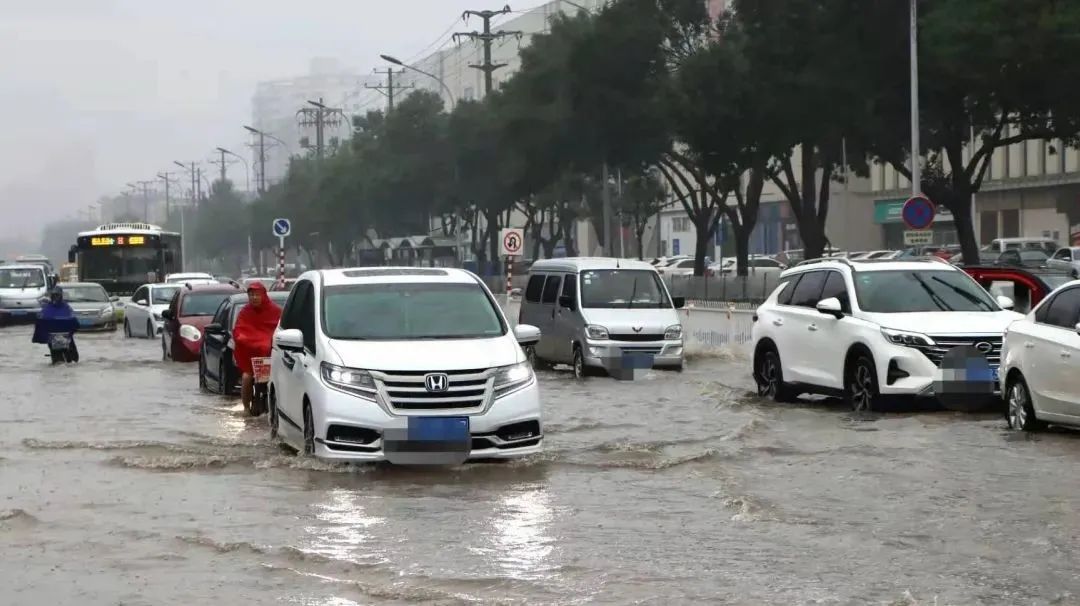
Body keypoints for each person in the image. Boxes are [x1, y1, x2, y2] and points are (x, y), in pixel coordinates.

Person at [232, 282, 282, 410]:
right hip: (251, 358)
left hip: (272, 358)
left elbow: (280, 330)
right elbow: (239, 330)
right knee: (246, 378)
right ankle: (246, 408)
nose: (254, 298)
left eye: (257, 295)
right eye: (251, 295)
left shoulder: (275, 311)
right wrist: (244, 339)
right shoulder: (245, 312)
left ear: (263, 295)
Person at [33, 286, 79, 361]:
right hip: (52, 338)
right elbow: (40, 321)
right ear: (51, 296)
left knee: (73, 358)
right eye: (54, 295)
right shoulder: (47, 308)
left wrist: (72, 329)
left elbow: (74, 321)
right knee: (57, 360)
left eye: (57, 295)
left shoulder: (66, 307)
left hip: (66, 336)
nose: (55, 297)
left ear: (61, 296)